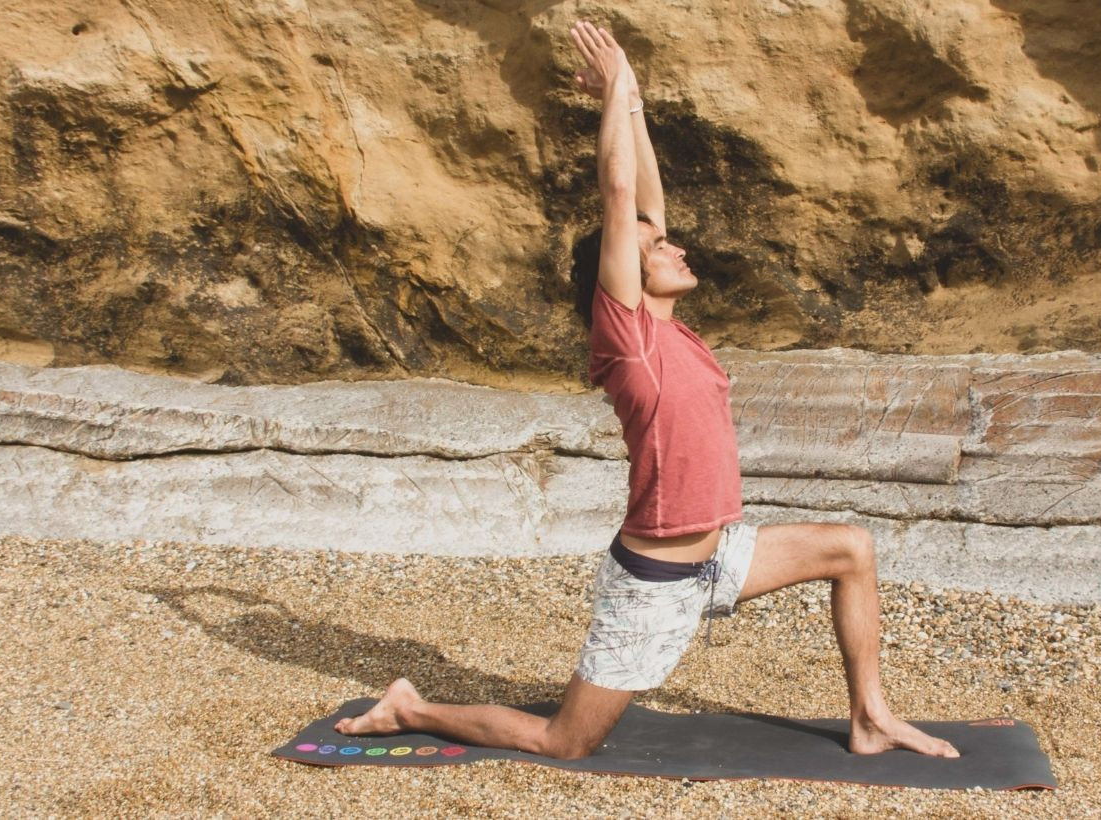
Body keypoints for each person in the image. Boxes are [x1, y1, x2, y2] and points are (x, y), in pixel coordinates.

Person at [333, 19, 958, 761]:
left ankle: (870, 716)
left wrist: (631, 106)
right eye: (656, 248)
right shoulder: (626, 336)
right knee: (566, 741)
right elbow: (620, 188)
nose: (673, 245)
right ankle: (411, 709)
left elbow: (646, 197)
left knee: (851, 549)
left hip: (721, 553)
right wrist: (618, 79)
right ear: (623, 271)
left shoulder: (675, 330)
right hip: (656, 575)